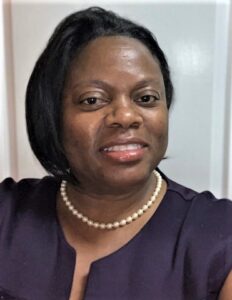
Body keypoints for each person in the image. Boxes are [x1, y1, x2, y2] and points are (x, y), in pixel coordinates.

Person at [0, 6, 231, 300]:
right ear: (51, 114)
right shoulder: (7, 214)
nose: (125, 116)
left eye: (146, 98)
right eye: (93, 100)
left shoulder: (220, 235)